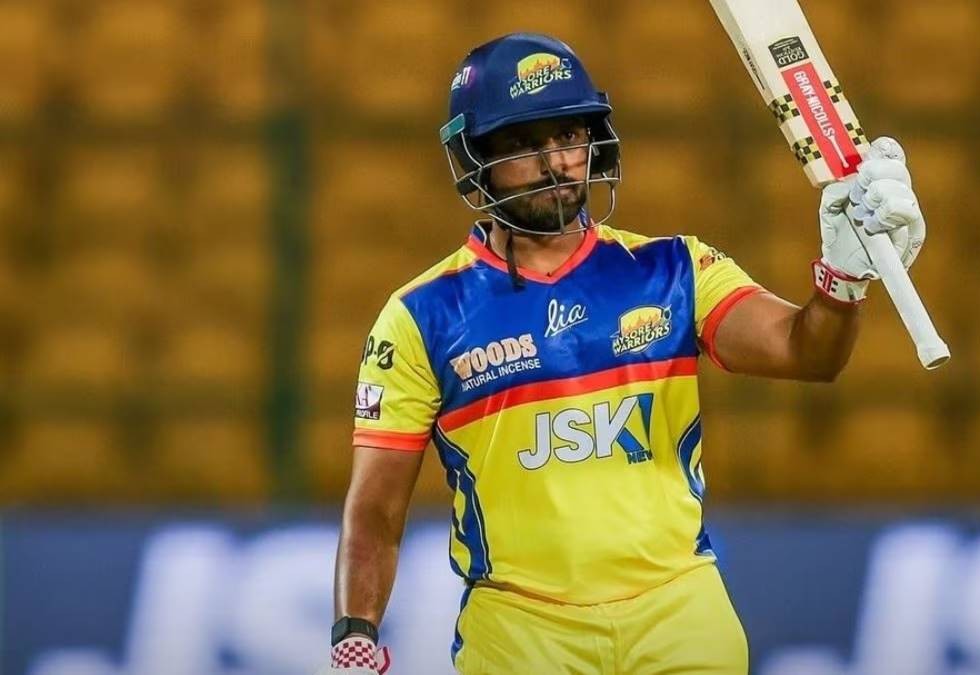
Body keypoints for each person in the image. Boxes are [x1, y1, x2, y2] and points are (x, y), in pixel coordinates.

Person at [320, 32, 926, 675]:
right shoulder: (421, 316)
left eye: (568, 135)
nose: (555, 162)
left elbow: (808, 354)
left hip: (679, 612)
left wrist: (842, 281)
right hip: (520, 629)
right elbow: (376, 509)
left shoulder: (675, 269)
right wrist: (355, 633)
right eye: (523, 143)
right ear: (478, 158)